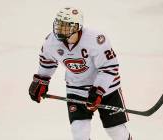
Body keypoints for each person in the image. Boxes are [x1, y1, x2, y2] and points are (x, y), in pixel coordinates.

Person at [29, 7, 132, 140]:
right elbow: (47, 62)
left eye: (65, 26)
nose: (60, 29)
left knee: (115, 131)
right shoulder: (51, 42)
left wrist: (98, 91)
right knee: (79, 132)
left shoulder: (96, 39)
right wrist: (41, 81)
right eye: (59, 24)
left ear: (77, 27)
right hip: (76, 88)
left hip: (107, 89)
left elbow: (110, 68)